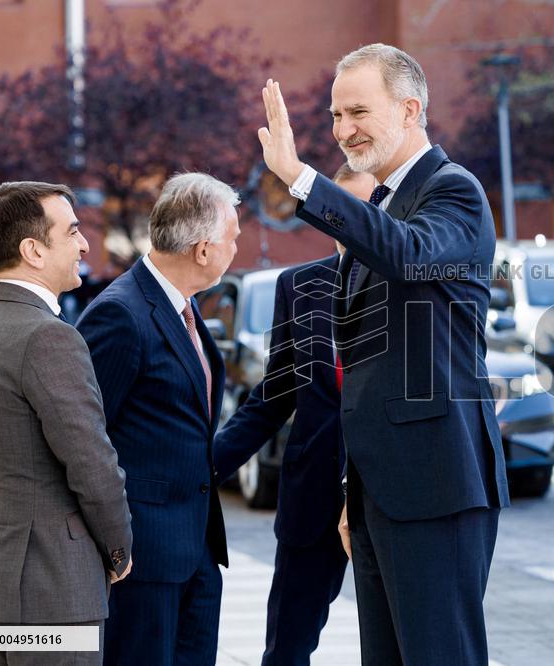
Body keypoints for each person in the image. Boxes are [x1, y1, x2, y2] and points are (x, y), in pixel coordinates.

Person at [258, 43, 510, 665]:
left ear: (409, 110)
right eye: (336, 116)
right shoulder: (384, 203)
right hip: (380, 494)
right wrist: (356, 491)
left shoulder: (454, 191)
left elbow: (408, 254)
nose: (343, 130)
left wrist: (300, 177)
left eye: (358, 112)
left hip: (436, 487)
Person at [0, 181, 133, 665]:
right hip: (50, 590)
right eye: (71, 231)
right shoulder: (49, 336)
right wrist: (119, 551)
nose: (83, 244)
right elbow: (92, 464)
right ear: (33, 251)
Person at [214, 165, 375, 666]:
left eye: (367, 209)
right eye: (342, 209)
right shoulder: (299, 286)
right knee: (286, 648)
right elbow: (276, 393)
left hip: (387, 496)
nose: (352, 219)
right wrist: (206, 465)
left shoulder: (408, 288)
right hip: (313, 497)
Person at [76, 173, 238, 666]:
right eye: (232, 239)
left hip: (197, 552)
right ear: (203, 249)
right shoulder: (120, 313)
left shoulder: (185, 306)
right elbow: (85, 441)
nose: (236, 248)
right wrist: (114, 548)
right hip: (142, 560)